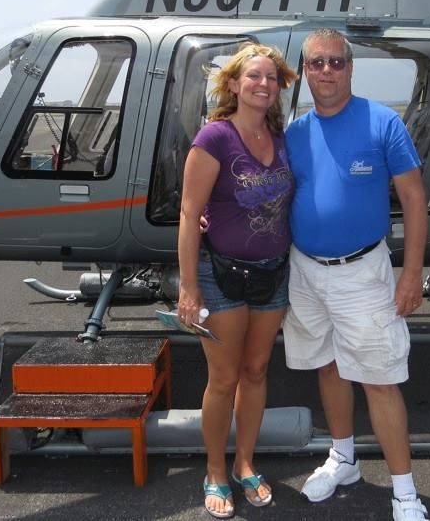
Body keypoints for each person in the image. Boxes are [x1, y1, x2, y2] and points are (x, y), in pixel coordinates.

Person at [283, 28, 430, 521]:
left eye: (336, 62)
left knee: (379, 380)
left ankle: (405, 493)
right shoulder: (294, 134)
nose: (327, 70)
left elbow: (414, 199)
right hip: (305, 271)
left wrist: (412, 273)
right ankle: (343, 458)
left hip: (362, 273)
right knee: (328, 367)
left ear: (351, 67)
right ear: (305, 71)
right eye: (317, 63)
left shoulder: (383, 122)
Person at [177, 42, 298, 519]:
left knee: (256, 371)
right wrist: (189, 287)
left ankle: (245, 462)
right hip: (221, 275)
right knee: (224, 378)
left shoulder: (282, 137)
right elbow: (189, 214)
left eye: (271, 77)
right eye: (253, 76)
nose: (263, 84)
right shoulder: (215, 138)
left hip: (272, 273)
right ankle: (215, 470)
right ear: (232, 84)